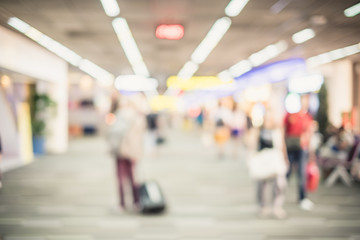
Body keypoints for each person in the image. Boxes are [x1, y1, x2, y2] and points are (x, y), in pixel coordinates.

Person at [107, 93, 148, 211]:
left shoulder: (119, 116)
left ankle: (122, 204)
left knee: (121, 178)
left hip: (120, 151)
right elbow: (139, 137)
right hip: (132, 151)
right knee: (133, 177)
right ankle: (136, 202)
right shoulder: (138, 118)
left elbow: (112, 134)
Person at [252, 110, 288, 219]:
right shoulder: (259, 130)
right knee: (261, 184)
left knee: (279, 183)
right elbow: (253, 144)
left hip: (275, 160)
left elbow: (282, 145)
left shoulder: (277, 130)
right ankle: (263, 206)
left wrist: (285, 158)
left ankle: (277, 206)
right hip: (262, 161)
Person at [284, 94, 315, 211]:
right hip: (291, 147)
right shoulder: (290, 115)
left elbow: (310, 134)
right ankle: (279, 195)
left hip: (303, 148)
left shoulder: (308, 117)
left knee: (302, 173)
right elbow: (285, 130)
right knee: (287, 171)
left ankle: (302, 198)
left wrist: (311, 151)